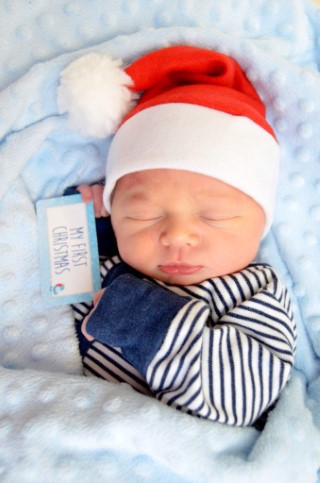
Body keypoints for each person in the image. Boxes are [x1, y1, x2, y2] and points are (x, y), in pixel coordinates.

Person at [59, 46, 297, 427]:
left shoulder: (254, 292)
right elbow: (55, 298)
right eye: (143, 214)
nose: (177, 235)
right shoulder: (112, 261)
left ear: (261, 222)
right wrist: (87, 220)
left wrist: (144, 319)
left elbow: (241, 397)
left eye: (213, 215)